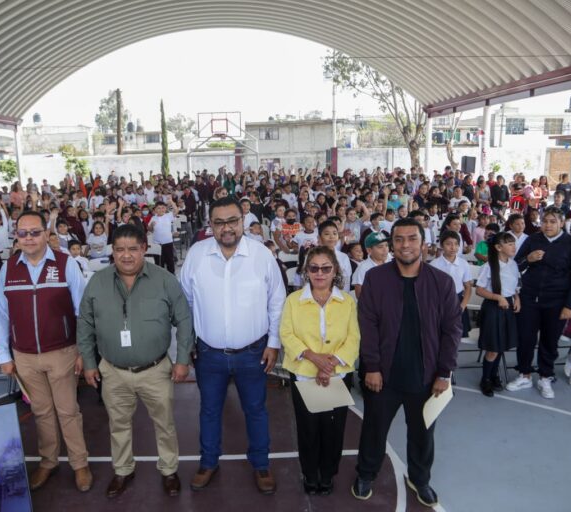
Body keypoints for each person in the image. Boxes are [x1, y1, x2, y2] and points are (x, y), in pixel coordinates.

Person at [77, 224, 193, 498]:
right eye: (119, 250)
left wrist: (182, 359)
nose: (126, 256)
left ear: (144, 248)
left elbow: (184, 321)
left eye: (132, 249)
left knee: (164, 424)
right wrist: (90, 362)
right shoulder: (97, 282)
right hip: (113, 371)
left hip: (155, 370)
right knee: (118, 425)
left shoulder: (164, 280)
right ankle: (123, 470)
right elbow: (85, 324)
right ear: (112, 252)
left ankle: (169, 470)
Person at [179, 196, 286, 495]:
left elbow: (276, 301)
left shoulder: (261, 255)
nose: (226, 228)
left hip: (253, 352)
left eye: (232, 221)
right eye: (219, 222)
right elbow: (184, 302)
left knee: (256, 410)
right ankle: (208, 462)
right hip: (208, 354)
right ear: (210, 225)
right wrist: (186, 342)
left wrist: (274, 343)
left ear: (243, 221)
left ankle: (261, 464)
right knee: (209, 410)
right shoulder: (197, 255)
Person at [353, 218, 461, 507]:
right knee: (374, 430)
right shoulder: (376, 279)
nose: (405, 245)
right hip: (383, 376)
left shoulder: (442, 283)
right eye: (398, 239)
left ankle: (420, 479)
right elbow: (368, 325)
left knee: (423, 434)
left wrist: (444, 372)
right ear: (392, 245)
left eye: (412, 238)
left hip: (426, 377)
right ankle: (366, 473)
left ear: (424, 243)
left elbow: (452, 330)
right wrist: (372, 366)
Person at [0, 211, 93, 493]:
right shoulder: (8, 268)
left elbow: (83, 312)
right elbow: (1, 314)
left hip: (61, 351)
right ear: (16, 236)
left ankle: (79, 463)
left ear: (46, 233)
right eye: (22, 233)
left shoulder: (65, 264)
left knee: (68, 411)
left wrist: (83, 350)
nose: (28, 238)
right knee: (41, 412)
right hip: (23, 355)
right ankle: (48, 462)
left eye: (34, 232)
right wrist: (3, 355)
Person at [279, 246, 359, 495]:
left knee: (333, 429)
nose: (320, 273)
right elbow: (287, 333)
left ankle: (328, 474)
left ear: (335, 270)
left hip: (337, 375)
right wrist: (314, 358)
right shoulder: (293, 301)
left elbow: (353, 338)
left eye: (326, 268)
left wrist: (330, 364)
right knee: (308, 428)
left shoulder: (347, 302)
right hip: (304, 374)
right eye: (314, 268)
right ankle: (310, 474)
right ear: (306, 271)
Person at [507, 207, 571, 399]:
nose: (548, 225)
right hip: (529, 298)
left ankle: (545, 376)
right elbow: (514, 265)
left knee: (549, 341)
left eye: (552, 221)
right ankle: (524, 374)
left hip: (557, 302)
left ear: (561, 222)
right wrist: (529, 259)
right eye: (544, 221)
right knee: (525, 338)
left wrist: (569, 306)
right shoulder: (532, 240)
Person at [475, 232, 520, 397]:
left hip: (507, 306)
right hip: (493, 308)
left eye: (513, 243)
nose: (513, 247)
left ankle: (494, 375)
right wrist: (498, 297)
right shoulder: (489, 266)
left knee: (502, 345)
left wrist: (517, 298)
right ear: (498, 247)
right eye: (509, 244)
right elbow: (479, 290)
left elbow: (515, 286)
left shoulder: (513, 264)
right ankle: (485, 379)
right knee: (493, 348)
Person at [431, 230, 473, 339]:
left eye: (456, 244)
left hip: (458, 301)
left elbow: (468, 287)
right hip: (440, 303)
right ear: (441, 245)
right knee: (439, 336)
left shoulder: (463, 264)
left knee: (456, 337)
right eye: (448, 244)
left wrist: (462, 306)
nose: (453, 247)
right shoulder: (434, 265)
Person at [351, 232, 391, 299]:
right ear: (369, 250)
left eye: (386, 245)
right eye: (380, 247)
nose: (385, 250)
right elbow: (360, 296)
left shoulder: (392, 261)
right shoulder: (363, 269)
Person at [317, 220, 352, 293]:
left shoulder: (344, 257)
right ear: (319, 238)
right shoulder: (312, 257)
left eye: (334, 233)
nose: (331, 237)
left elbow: (346, 281)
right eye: (327, 234)